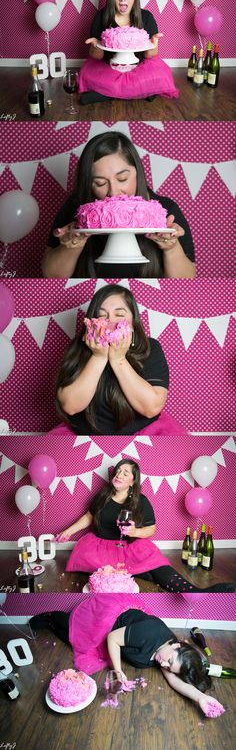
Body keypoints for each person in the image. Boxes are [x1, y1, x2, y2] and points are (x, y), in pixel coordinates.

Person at [56, 458, 235, 593]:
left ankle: (193, 591)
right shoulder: (102, 496)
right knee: (93, 564)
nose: (119, 474)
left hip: (129, 545)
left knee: (155, 561)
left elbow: (152, 529)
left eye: (125, 473)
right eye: (118, 471)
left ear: (133, 481)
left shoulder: (141, 501)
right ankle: (143, 572)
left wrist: (134, 531)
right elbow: (89, 516)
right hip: (100, 546)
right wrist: (68, 531)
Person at [29, 596, 225, 718]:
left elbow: (175, 680)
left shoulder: (167, 658)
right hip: (108, 622)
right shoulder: (150, 633)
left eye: (168, 667)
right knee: (75, 632)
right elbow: (113, 638)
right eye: (169, 661)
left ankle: (52, 624)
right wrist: (118, 670)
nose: (163, 665)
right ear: (176, 645)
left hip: (121, 637)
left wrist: (200, 698)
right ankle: (51, 617)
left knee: (73, 641)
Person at [42, 131, 196, 279]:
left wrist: (171, 248)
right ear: (88, 183)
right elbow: (52, 275)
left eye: (122, 178)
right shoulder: (77, 209)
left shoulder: (164, 211)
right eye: (100, 183)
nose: (114, 192)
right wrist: (70, 246)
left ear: (138, 172)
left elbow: (186, 280)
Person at [55, 283, 177, 436]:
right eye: (101, 316)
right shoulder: (77, 346)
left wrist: (118, 359)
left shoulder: (150, 347)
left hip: (142, 432)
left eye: (119, 315)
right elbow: (70, 406)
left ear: (133, 322)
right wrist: (98, 356)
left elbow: (151, 408)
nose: (110, 322)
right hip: (85, 434)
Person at [78, 0, 179, 103]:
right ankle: (142, 91)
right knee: (86, 74)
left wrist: (154, 44)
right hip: (109, 67)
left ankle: (106, 93)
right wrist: (96, 45)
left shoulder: (146, 17)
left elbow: (149, 54)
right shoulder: (101, 17)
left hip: (139, 68)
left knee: (161, 74)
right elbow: (97, 56)